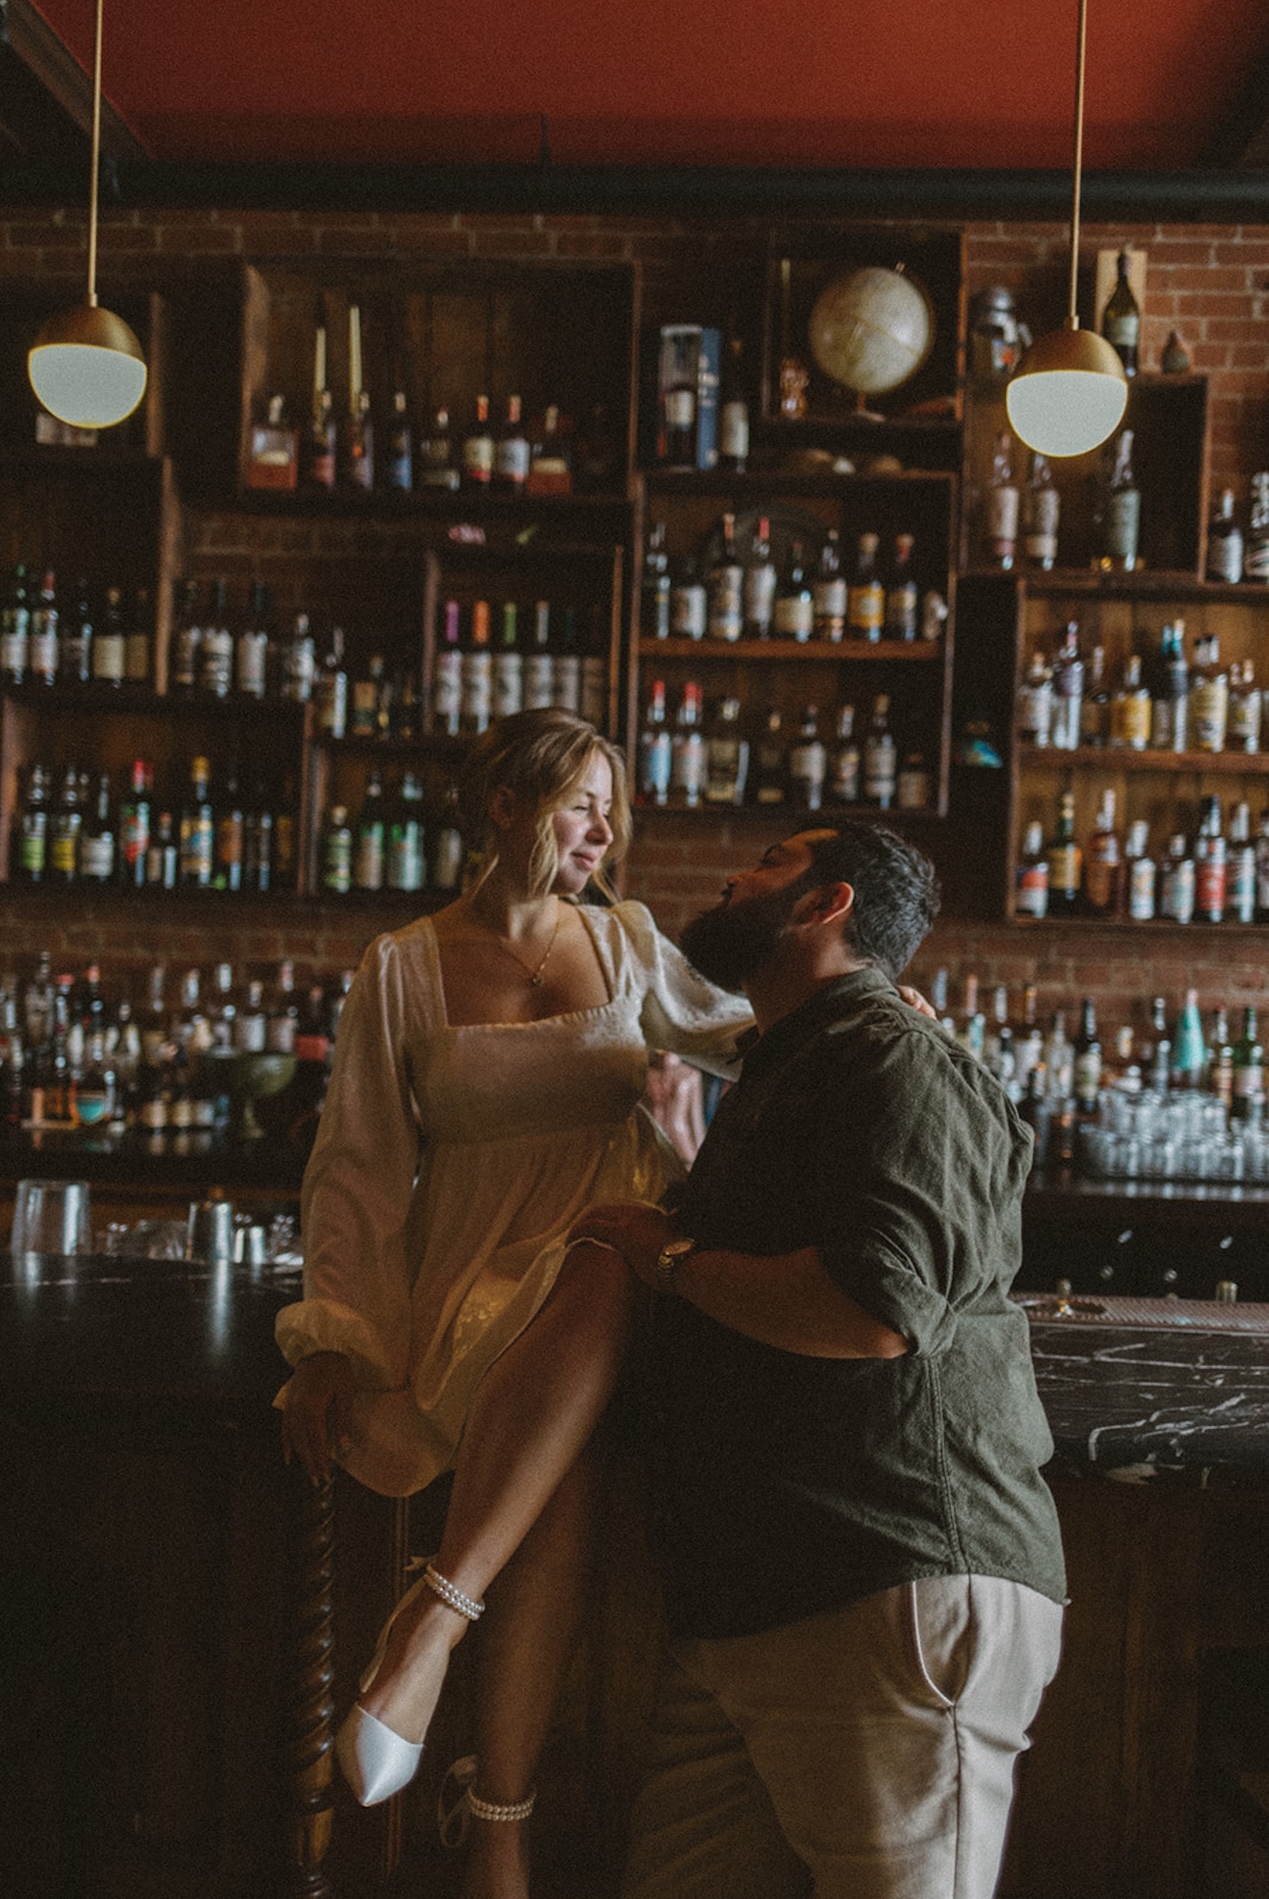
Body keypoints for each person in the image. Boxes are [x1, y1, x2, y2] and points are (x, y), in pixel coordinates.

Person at [274, 709, 750, 1899]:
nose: (603, 830)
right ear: (503, 806)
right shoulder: (403, 965)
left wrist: (877, 1009)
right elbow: (359, 1172)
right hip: (467, 1297)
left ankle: (431, 1628)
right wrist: (335, 1342)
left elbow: (759, 1035)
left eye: (610, 809)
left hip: (613, 1273)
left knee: (601, 1250)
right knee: (565, 1465)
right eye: (579, 803)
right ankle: (497, 1825)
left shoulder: (629, 943)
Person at [570, 820, 1067, 1899]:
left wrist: (667, 1255)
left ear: (823, 906)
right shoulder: (797, 1059)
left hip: (884, 1569)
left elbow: (874, 1307)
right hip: (757, 1586)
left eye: (768, 863)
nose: (730, 875)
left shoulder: (888, 1052)